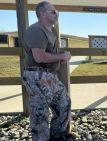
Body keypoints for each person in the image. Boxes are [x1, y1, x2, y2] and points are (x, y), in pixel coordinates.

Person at [22, 1, 74, 141]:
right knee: (40, 114)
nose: (56, 13)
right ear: (42, 13)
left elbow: (49, 54)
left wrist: (59, 58)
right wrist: (62, 56)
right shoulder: (36, 30)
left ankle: (56, 136)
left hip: (50, 76)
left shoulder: (50, 31)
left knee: (64, 103)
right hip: (36, 75)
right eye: (53, 11)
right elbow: (39, 57)